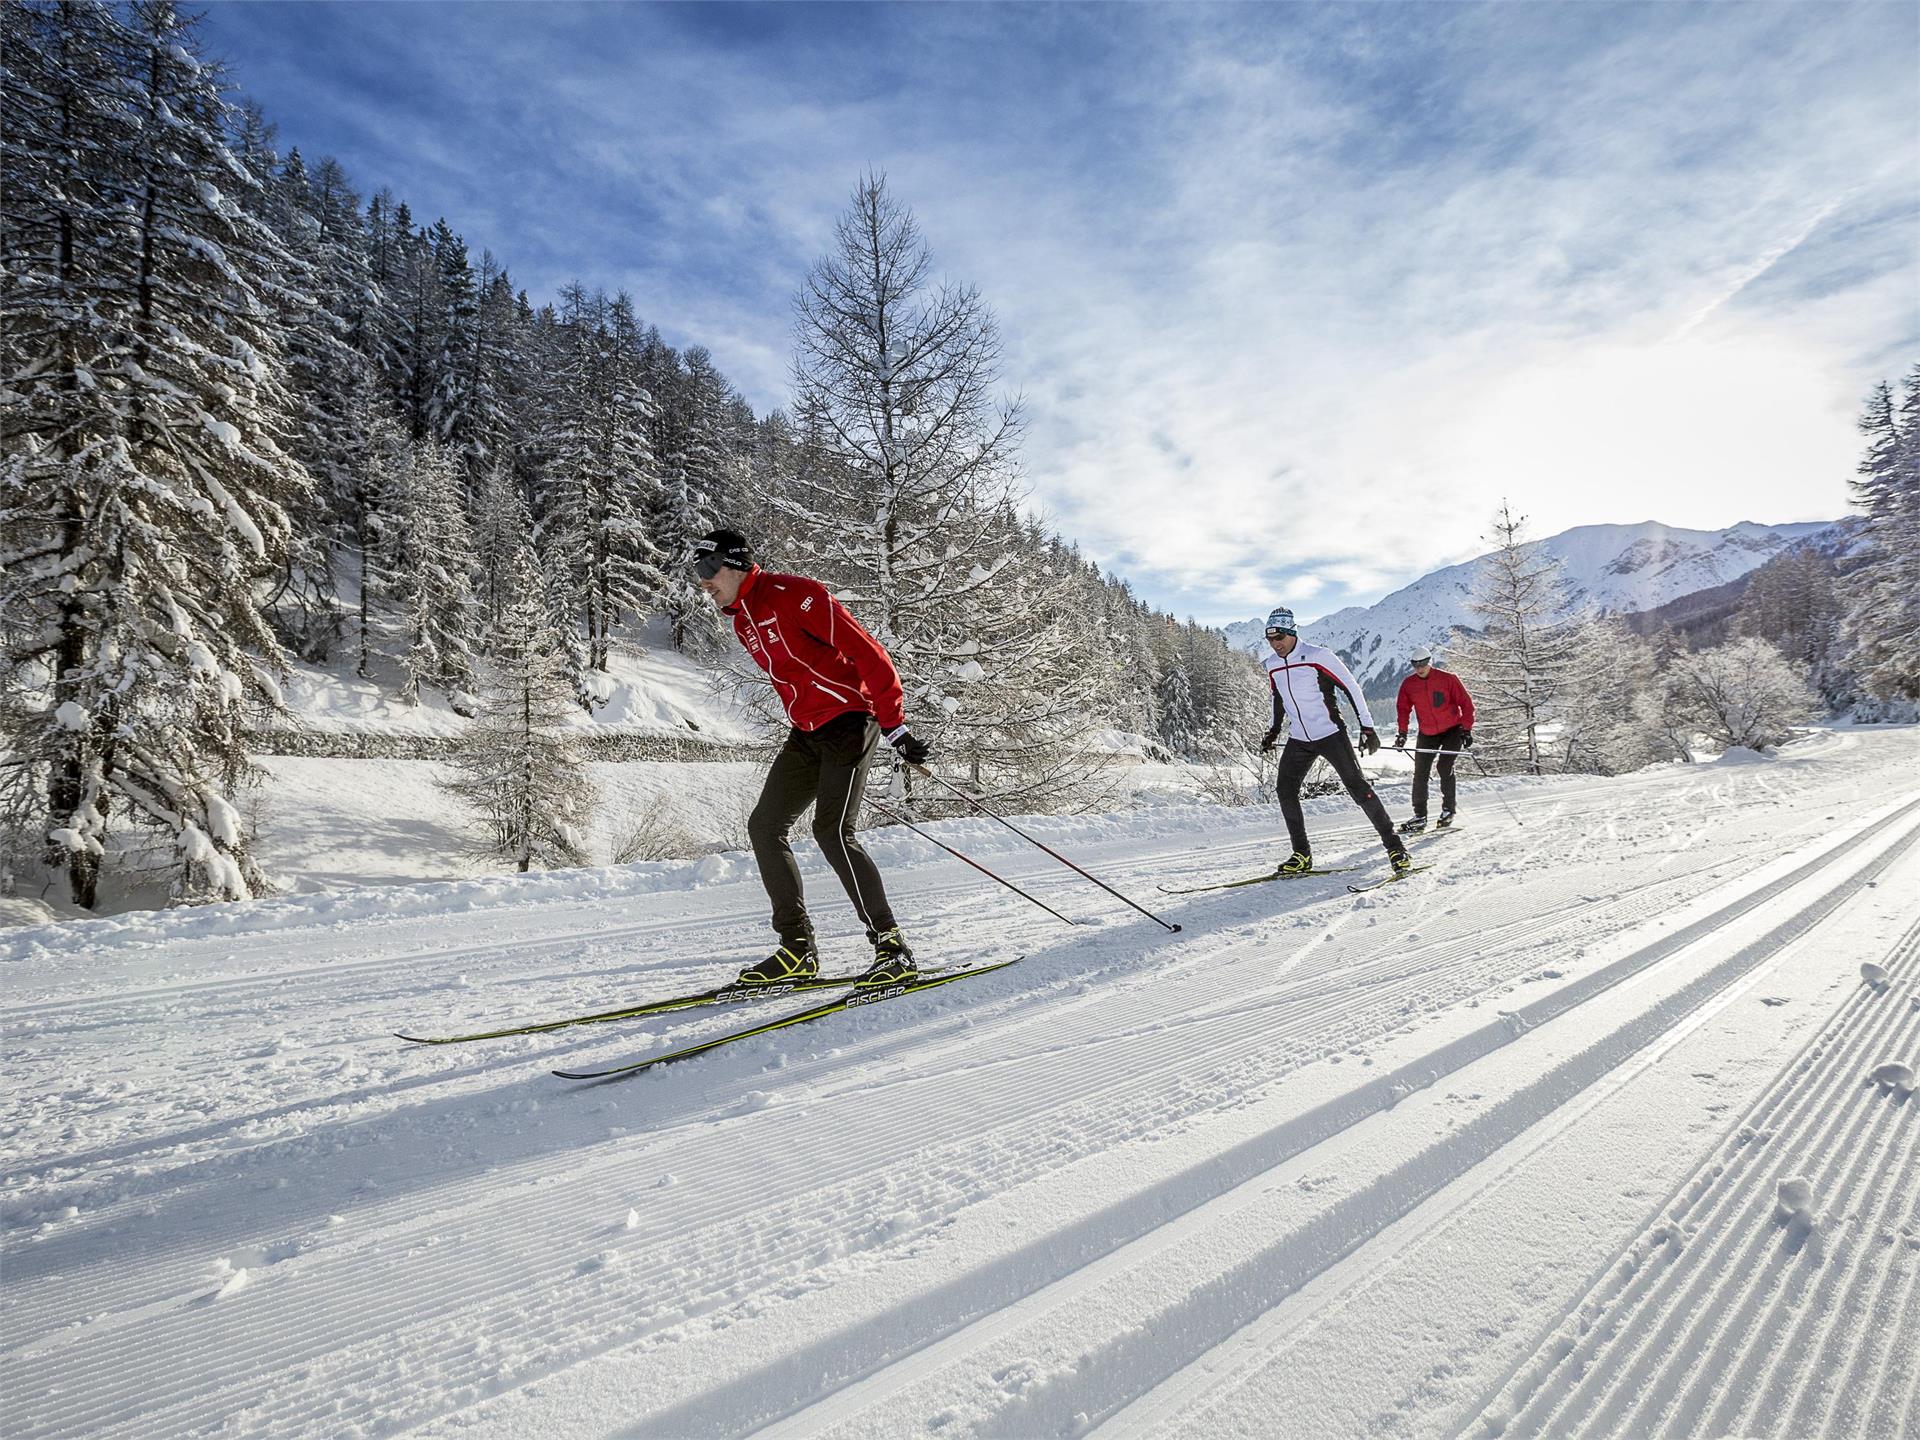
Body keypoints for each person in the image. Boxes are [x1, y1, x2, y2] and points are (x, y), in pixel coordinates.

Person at [690, 528, 930, 987]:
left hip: (850, 721)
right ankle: (797, 949)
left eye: (708, 569)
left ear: (737, 564)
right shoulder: (743, 621)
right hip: (807, 732)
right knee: (765, 825)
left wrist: (894, 722)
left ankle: (891, 946)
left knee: (833, 830)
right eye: (696, 571)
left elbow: (868, 652)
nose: (702, 581)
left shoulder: (796, 595)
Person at [1258, 607, 1412, 879]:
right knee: (1285, 790)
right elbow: (1278, 698)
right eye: (1270, 639)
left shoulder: (1319, 656)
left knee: (1358, 788)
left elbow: (1352, 687)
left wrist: (1368, 727)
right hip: (1299, 739)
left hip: (1330, 734)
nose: (1275, 644)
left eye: (1279, 637)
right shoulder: (1272, 664)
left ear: (1292, 632)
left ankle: (1395, 848)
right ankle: (1301, 855)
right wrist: (1273, 730)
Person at [1392, 652, 1475, 833]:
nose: (1419, 668)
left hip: (1452, 730)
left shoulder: (1448, 679)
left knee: (1444, 767)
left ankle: (1448, 810)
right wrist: (1402, 733)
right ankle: (1420, 816)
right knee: (1420, 772)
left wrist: (1466, 729)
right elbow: (1403, 709)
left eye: (1422, 664)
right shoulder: (1409, 684)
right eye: (1415, 665)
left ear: (1430, 662)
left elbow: (1466, 704)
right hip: (1427, 733)